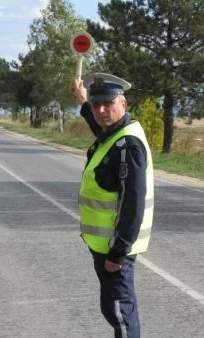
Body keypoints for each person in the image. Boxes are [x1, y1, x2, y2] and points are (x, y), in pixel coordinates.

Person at [70, 73, 154, 338]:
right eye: (97, 105)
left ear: (124, 104)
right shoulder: (114, 136)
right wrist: (83, 102)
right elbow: (101, 128)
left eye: (108, 103)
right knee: (114, 308)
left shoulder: (128, 145)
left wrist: (117, 254)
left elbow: (132, 206)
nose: (101, 110)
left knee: (120, 311)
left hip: (116, 249)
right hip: (104, 245)